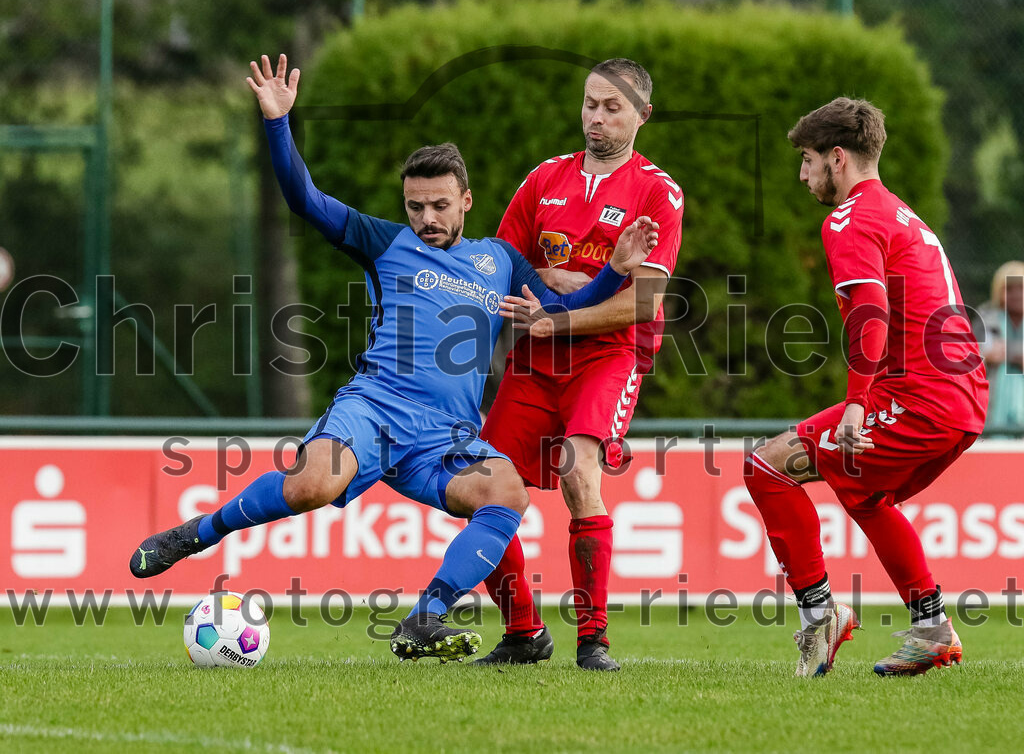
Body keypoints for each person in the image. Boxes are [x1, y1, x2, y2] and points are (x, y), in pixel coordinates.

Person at [128, 54, 660, 663]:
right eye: (415, 207)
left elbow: (557, 311)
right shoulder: (384, 240)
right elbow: (305, 198)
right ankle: (197, 534)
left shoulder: (501, 262)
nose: (426, 219)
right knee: (310, 487)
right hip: (376, 409)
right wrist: (278, 123)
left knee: (506, 492)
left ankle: (426, 617)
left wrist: (613, 273)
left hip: (445, 436)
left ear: (466, 200)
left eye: (439, 206)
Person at [744, 97, 988, 677]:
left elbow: (870, 312)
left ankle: (820, 615)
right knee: (861, 492)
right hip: (959, 398)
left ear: (837, 157)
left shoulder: (851, 218)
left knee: (767, 467)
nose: (802, 175)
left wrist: (856, 403)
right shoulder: (901, 214)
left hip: (919, 397)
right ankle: (931, 628)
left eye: (806, 161)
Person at [473, 58, 684, 670]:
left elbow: (641, 302)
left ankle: (593, 639)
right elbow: (501, 266)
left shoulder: (656, 191)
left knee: (576, 468)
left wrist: (559, 310)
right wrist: (549, 279)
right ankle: (523, 634)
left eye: (612, 108)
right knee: (486, 485)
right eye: (590, 104)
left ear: (642, 116)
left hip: (608, 356)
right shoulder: (543, 179)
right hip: (536, 357)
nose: (596, 117)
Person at [975, 261, 1024, 435]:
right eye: (1008, 289)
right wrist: (987, 357)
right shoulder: (986, 317)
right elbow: (972, 359)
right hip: (992, 407)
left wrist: (1007, 351)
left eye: (1021, 288)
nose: (1016, 295)